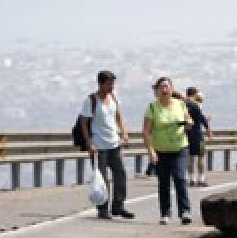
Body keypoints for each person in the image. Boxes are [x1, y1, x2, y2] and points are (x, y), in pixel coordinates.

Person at [80, 70, 133, 220]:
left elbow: (118, 115)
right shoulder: (91, 100)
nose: (111, 86)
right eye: (109, 83)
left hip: (114, 143)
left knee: (120, 174)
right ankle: (103, 209)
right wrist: (89, 142)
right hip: (99, 146)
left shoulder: (114, 97)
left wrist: (124, 132)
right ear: (101, 84)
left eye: (112, 83)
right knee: (102, 179)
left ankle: (118, 206)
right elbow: (83, 122)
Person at [143, 76, 194, 224]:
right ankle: (165, 213)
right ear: (157, 91)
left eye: (167, 86)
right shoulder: (152, 107)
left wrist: (189, 123)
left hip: (180, 148)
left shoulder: (180, 104)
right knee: (164, 182)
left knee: (179, 177)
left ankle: (185, 212)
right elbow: (146, 131)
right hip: (160, 150)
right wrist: (151, 151)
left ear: (172, 89)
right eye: (161, 87)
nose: (165, 90)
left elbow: (189, 119)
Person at [184, 86, 213, 187]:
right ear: (195, 94)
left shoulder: (182, 104)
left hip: (186, 134)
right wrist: (208, 130)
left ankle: (191, 179)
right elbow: (201, 118)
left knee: (190, 158)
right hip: (197, 134)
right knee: (201, 156)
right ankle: (201, 179)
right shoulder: (195, 105)